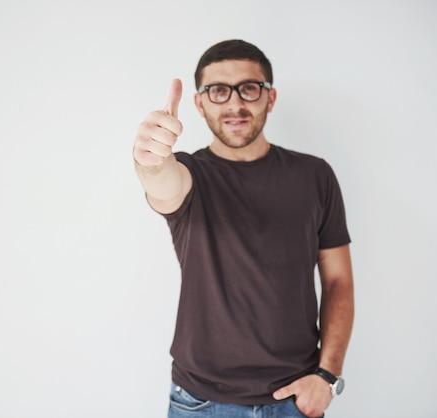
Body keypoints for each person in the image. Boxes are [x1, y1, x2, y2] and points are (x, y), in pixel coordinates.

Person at [133, 39, 354, 418]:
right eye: (218, 91)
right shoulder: (191, 175)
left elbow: (338, 282)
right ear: (199, 104)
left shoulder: (315, 175)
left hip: (296, 399)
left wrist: (328, 375)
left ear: (270, 97)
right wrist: (150, 162)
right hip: (201, 402)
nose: (235, 104)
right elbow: (163, 183)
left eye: (249, 88)